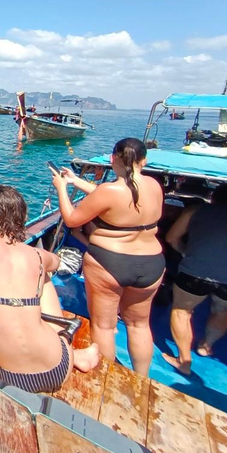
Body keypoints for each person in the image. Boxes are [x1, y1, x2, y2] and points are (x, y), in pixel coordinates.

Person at [0, 184, 100, 393]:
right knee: (44, 275)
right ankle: (74, 351)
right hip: (58, 369)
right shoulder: (37, 256)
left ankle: (75, 353)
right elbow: (56, 262)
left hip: (8, 375)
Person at [50, 138, 164, 376]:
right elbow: (119, 197)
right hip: (151, 263)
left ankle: (106, 378)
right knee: (139, 325)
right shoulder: (154, 185)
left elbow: (72, 220)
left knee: (104, 325)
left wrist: (62, 187)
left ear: (113, 159)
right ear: (144, 160)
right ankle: (142, 379)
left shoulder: (109, 190)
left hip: (110, 263)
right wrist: (76, 180)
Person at [162, 184, 227, 375]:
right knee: (223, 311)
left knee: (181, 311)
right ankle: (206, 346)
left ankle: (184, 360)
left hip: (197, 271)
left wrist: (186, 252)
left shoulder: (197, 210)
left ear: (214, 197)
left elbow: (171, 238)